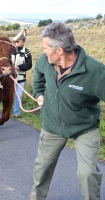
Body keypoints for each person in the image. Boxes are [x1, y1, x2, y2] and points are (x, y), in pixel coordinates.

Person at [30, 22, 104, 200]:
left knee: (87, 173)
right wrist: (39, 93)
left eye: (46, 47)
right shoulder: (45, 61)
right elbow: (38, 74)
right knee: (42, 167)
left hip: (84, 127)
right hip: (52, 125)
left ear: (60, 50)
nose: (44, 51)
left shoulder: (96, 72)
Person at [11, 35, 32, 118]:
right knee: (8, 95)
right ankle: (6, 110)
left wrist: (19, 67)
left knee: (18, 96)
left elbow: (29, 65)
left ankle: (16, 112)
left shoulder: (27, 52)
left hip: (20, 78)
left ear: (23, 41)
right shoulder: (10, 50)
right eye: (16, 41)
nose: (17, 42)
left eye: (19, 41)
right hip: (9, 77)